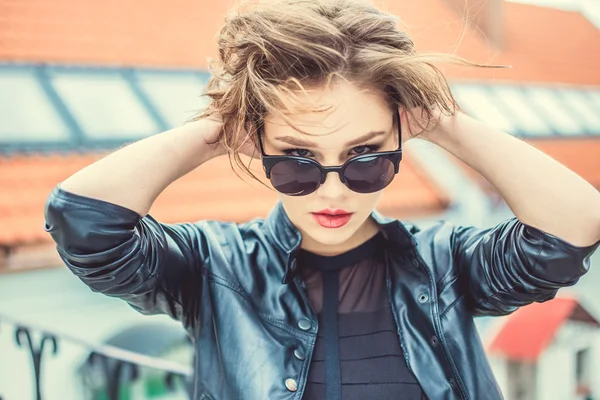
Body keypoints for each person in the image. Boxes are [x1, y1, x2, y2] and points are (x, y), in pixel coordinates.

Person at [44, 0, 600, 399]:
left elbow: (574, 225)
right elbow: (84, 222)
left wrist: (444, 121)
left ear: (401, 140)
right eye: (295, 160)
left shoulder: (446, 265)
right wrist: (219, 126)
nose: (333, 191)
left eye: (366, 158)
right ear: (258, 147)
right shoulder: (212, 268)